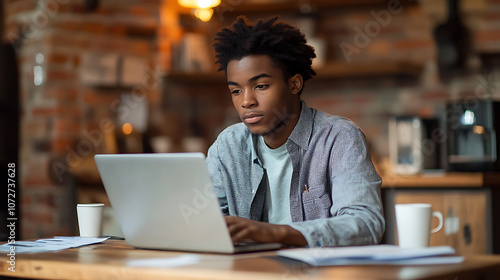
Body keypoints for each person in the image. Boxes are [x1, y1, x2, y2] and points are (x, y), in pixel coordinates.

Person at [206, 16, 384, 247]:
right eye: (236, 91)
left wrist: (278, 233)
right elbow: (203, 222)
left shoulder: (339, 137)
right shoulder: (228, 146)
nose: (246, 101)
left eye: (260, 86)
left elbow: (365, 224)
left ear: (294, 84)